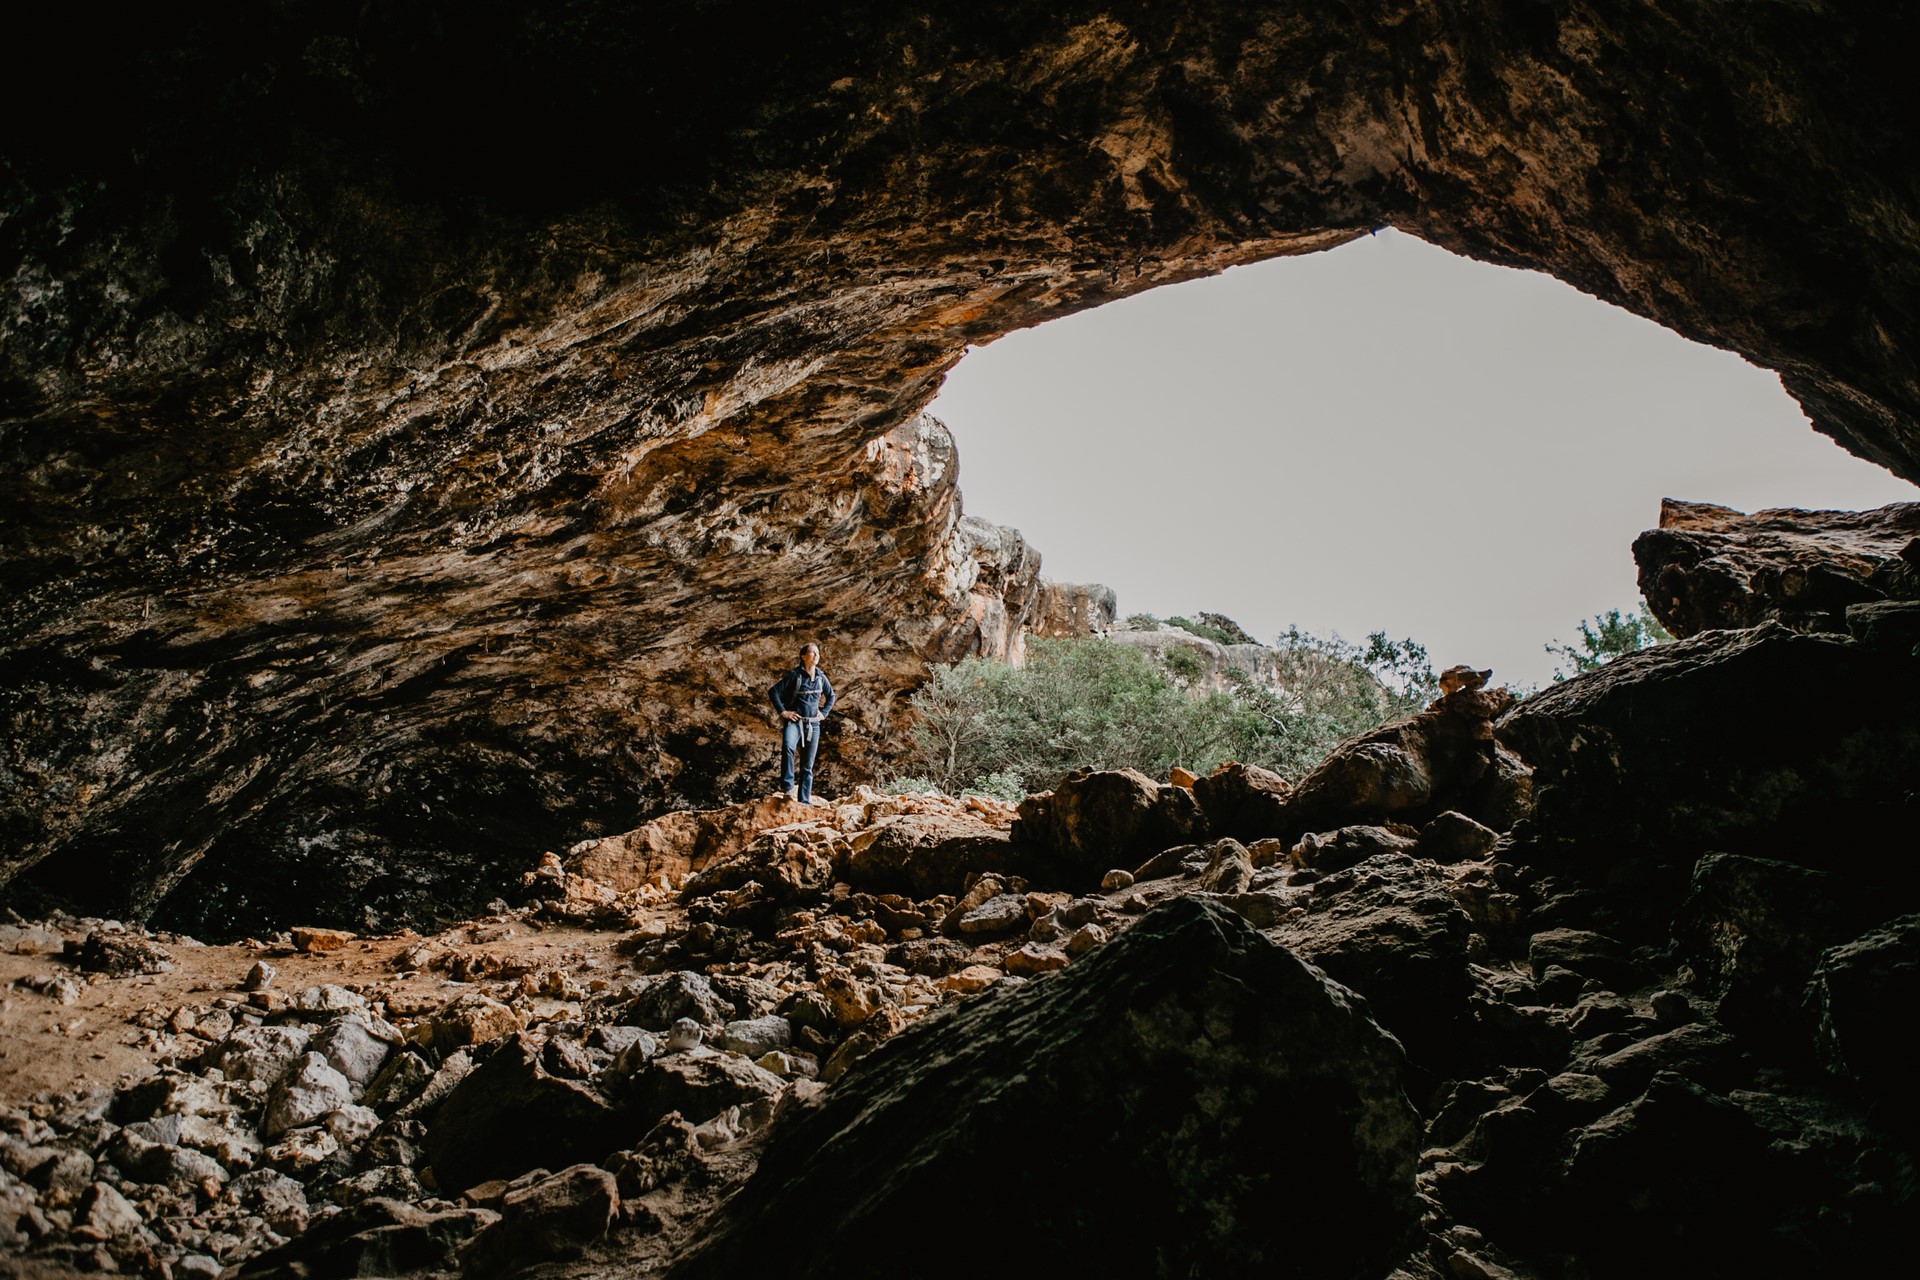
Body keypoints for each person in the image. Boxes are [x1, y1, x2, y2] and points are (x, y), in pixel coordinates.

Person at [769, 642, 835, 803]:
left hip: (813, 724)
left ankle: (804, 801)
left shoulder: (820, 677)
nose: (816, 656)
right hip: (795, 722)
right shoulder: (795, 676)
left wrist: (824, 713)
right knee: (788, 746)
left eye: (817, 653)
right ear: (803, 656)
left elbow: (831, 696)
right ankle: (787, 787)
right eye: (812, 653)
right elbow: (773, 691)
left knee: (807, 765)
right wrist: (783, 712)